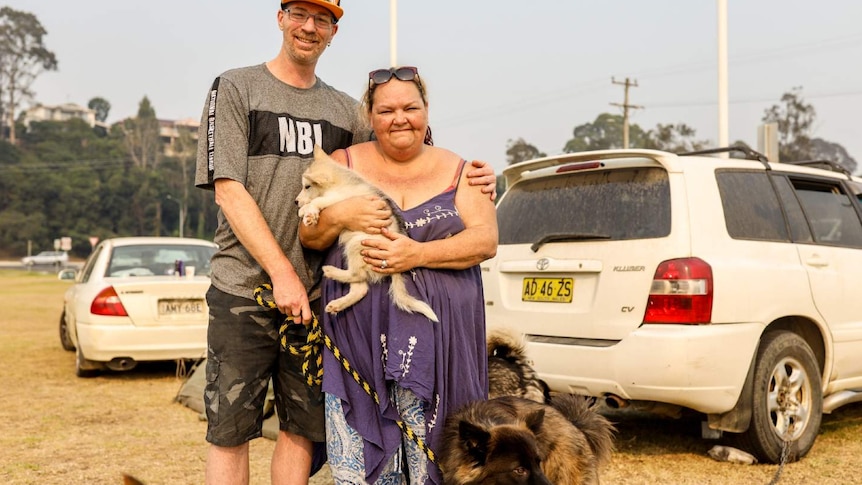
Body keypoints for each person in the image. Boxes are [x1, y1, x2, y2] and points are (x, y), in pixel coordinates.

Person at [194, 3, 498, 484]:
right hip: (245, 290)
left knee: (302, 430)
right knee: (232, 430)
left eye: (323, 19)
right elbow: (229, 189)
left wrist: (476, 177)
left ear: (334, 30)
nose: (309, 27)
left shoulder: (344, 111)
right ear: (280, 17)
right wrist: (281, 274)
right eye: (300, 14)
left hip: (317, 300)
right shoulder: (236, 87)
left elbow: (401, 147)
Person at [300, 66, 498, 484]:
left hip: (442, 345)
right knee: (364, 463)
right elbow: (309, 234)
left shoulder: (463, 171)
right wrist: (341, 212)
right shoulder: (343, 163)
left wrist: (417, 253)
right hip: (358, 338)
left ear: (427, 110)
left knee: (441, 459)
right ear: (369, 116)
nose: (399, 118)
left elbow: (485, 241)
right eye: (386, 110)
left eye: (411, 107)